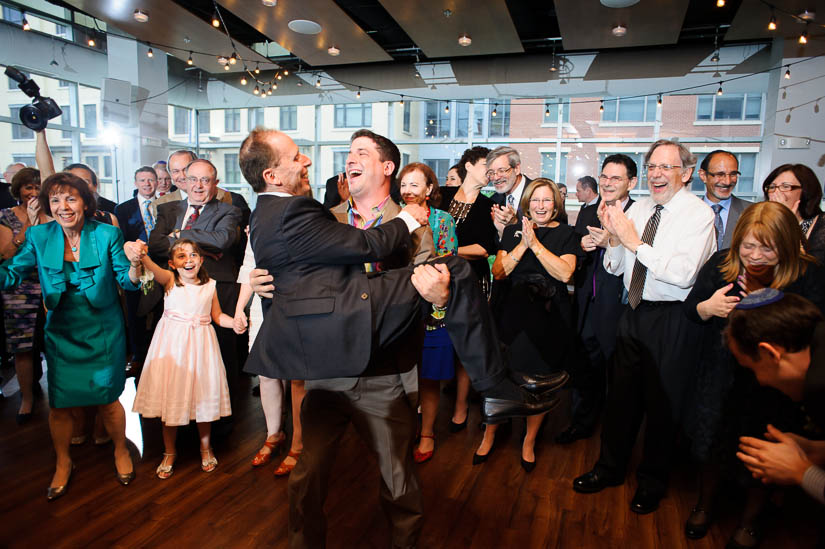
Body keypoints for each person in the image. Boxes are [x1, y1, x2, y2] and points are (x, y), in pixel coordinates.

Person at [239, 129, 559, 548]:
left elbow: (433, 298)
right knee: (307, 478)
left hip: (384, 372)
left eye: (361, 153)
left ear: (387, 168)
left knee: (399, 484)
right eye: (347, 153)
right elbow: (302, 259)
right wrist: (267, 280)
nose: (342, 160)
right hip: (327, 372)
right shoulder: (321, 215)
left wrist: (440, 301)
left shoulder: (425, 226)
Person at [573, 139, 716, 515]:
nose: (655, 173)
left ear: (685, 173)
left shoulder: (697, 215)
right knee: (620, 399)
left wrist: (632, 240)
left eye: (665, 167)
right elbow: (617, 268)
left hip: (671, 318)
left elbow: (684, 276)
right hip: (632, 312)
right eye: (652, 165)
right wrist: (614, 242)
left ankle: (652, 483)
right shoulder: (640, 208)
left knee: (661, 407)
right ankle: (609, 469)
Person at [680, 201, 824, 544]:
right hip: (720, 372)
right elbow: (690, 310)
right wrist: (706, 307)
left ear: (787, 246)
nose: (755, 255)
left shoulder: (808, 274)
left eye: (767, 247)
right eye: (748, 245)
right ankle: (704, 504)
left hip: (776, 382)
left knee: (764, 449)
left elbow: (814, 328)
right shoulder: (720, 265)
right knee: (712, 443)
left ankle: (750, 520)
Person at [0, 172, 141, 500]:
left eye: (70, 199)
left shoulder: (106, 234)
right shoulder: (38, 236)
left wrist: (135, 265)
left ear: (85, 202)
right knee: (60, 406)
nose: (62, 207)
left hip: (103, 331)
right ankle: (63, 462)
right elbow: (11, 274)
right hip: (61, 332)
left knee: (108, 400)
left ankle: (121, 450)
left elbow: (130, 281)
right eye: (55, 200)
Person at [476, 178, 577, 471]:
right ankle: (490, 433)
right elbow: (499, 271)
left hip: (549, 315)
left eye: (547, 200)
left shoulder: (567, 234)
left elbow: (565, 274)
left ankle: (529, 441)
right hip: (513, 311)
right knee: (501, 375)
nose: (541, 206)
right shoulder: (511, 231)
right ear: (527, 204)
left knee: (541, 379)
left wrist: (537, 245)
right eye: (535, 200)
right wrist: (523, 243)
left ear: (556, 204)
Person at [130, 239, 233, 477]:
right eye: (181, 256)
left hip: (202, 347)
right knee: (171, 396)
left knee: (203, 397)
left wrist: (234, 323)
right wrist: (140, 252)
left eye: (193, 255)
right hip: (173, 348)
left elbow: (217, 316)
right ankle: (169, 452)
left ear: (201, 259)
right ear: (172, 263)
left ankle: (206, 448)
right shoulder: (169, 281)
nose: (188, 260)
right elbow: (149, 265)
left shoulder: (210, 286)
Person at [148, 158, 242, 406]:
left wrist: (179, 235)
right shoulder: (169, 210)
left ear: (216, 184)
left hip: (216, 290)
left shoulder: (229, 211)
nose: (198, 186)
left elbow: (222, 240)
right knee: (179, 359)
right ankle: (181, 415)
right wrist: (202, 243)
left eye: (205, 180)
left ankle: (220, 417)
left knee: (220, 357)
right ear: (184, 182)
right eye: (193, 179)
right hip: (176, 294)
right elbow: (156, 245)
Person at [559, 154, 636, 444]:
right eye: (604, 177)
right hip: (586, 301)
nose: (607, 182)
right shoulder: (589, 211)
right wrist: (581, 245)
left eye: (616, 178)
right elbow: (576, 251)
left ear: (631, 182)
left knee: (617, 373)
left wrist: (614, 243)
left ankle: (615, 433)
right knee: (584, 367)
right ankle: (581, 422)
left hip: (618, 305)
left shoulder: (638, 215)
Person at [726, 291, 825, 505]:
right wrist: (817, 450)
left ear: (770, 353)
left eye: (752, 369)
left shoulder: (819, 388)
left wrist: (800, 471)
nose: (760, 381)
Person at [398, 162, 458, 464]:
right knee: (401, 372)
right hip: (398, 304)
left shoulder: (443, 219)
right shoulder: (394, 216)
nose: (408, 190)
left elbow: (447, 259)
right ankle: (403, 431)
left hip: (431, 303)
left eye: (415, 184)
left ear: (429, 189)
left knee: (429, 373)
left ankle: (427, 432)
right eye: (404, 184)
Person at [440, 147, 498, 431]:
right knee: (435, 342)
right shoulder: (442, 195)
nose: (490, 171)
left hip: (472, 282)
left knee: (465, 345)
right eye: (486, 164)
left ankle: (461, 407)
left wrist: (448, 251)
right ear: (468, 165)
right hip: (437, 278)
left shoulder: (488, 206)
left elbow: (485, 248)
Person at [0, 168, 50, 423]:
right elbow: (7, 254)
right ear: (18, 189)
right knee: (22, 347)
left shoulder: (54, 214)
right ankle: (27, 399)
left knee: (54, 344)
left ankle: (59, 396)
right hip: (19, 290)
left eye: (37, 186)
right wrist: (29, 224)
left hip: (50, 286)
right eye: (28, 187)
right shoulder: (6, 216)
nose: (33, 192)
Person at [115, 166, 158, 367]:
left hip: (160, 265)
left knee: (160, 310)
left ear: (156, 182)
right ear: (135, 183)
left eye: (151, 180)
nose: (147, 184)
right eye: (142, 180)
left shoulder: (165, 205)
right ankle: (138, 355)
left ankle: (159, 354)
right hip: (135, 267)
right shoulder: (122, 209)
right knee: (135, 311)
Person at [762, 163, 825, 263]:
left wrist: (788, 221)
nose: (776, 193)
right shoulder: (762, 221)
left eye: (785, 186)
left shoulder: (821, 225)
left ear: (805, 191)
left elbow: (811, 268)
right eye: (772, 187)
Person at [698, 150, 752, 251]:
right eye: (720, 174)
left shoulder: (752, 212)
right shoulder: (688, 213)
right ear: (703, 175)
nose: (727, 181)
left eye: (733, 174)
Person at [488, 146, 532, 237]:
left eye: (502, 170)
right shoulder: (494, 201)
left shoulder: (538, 193)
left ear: (516, 169)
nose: (496, 178)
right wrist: (502, 233)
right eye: (491, 172)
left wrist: (515, 224)